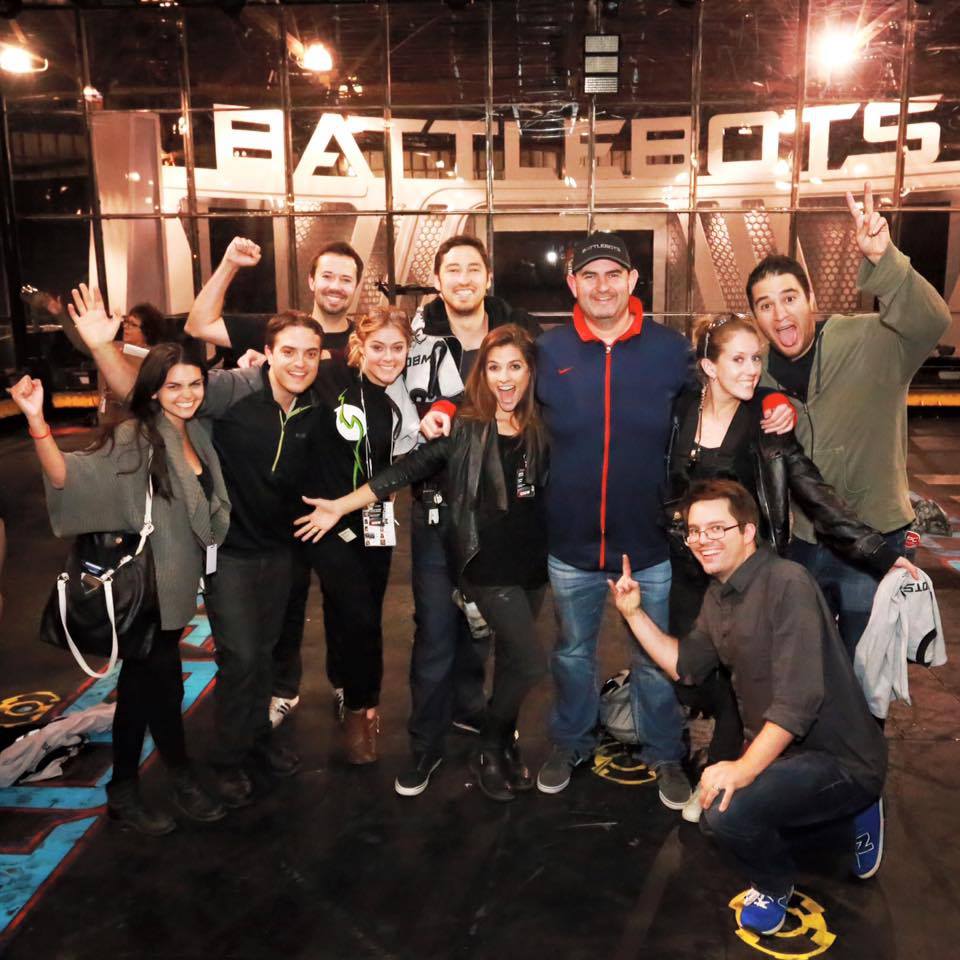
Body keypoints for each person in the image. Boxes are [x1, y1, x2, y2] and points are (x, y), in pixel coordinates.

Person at [72, 284, 322, 808]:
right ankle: (229, 757)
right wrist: (101, 347)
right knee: (242, 658)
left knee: (268, 656)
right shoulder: (233, 389)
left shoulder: (316, 402)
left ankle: (255, 740)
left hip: (280, 553)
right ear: (268, 353)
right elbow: (154, 396)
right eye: (289, 352)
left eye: (310, 353)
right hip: (228, 554)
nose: (300, 363)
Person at [666, 313, 919, 819]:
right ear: (708, 368)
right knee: (693, 673)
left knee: (746, 684)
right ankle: (736, 760)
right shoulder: (681, 410)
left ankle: (731, 775)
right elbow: (668, 484)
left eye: (756, 359)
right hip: (692, 569)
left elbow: (815, 494)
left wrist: (881, 553)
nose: (752, 370)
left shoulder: (767, 419)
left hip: (748, 579)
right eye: (737, 360)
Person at [609, 478, 887, 937]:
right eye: (694, 531)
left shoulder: (786, 583)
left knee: (726, 809)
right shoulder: (719, 595)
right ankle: (834, 816)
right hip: (787, 750)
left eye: (717, 528)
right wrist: (635, 614)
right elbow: (686, 665)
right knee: (740, 802)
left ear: (748, 532)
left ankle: (777, 882)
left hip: (843, 758)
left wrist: (742, 769)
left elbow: (800, 701)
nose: (702, 540)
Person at [298, 325, 547, 800]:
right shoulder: (468, 428)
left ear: (531, 371)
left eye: (515, 366)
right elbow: (404, 470)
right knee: (483, 653)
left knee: (515, 660)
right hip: (479, 564)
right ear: (481, 376)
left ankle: (496, 740)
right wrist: (339, 505)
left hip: (529, 567)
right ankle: (450, 746)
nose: (505, 378)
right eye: (494, 368)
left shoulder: (542, 428)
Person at [8, 341, 230, 836]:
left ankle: (126, 791)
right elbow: (71, 476)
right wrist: (36, 421)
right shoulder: (136, 437)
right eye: (174, 385)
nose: (187, 393)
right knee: (161, 688)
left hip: (173, 590)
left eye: (195, 383)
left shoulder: (196, 432)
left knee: (138, 692)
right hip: (145, 591)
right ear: (152, 389)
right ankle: (176, 776)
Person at [748, 182, 952, 657]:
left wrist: (886, 260)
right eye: (765, 305)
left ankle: (864, 734)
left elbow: (930, 321)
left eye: (790, 297)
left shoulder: (871, 340)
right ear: (755, 316)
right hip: (801, 542)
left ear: (811, 296)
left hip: (877, 538)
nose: (780, 314)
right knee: (807, 665)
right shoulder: (755, 377)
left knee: (868, 667)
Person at [533, 232, 693, 806]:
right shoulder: (547, 351)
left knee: (652, 657)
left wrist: (771, 400)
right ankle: (570, 741)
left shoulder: (671, 349)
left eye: (614, 274)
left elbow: (720, 395)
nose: (602, 285)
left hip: (645, 540)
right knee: (573, 653)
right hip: (571, 541)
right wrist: (448, 407)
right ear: (572, 284)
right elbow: (492, 390)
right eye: (590, 275)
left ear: (632, 282)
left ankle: (665, 754)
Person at [185, 237, 365, 728]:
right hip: (276, 507)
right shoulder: (277, 330)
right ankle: (282, 690)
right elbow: (197, 324)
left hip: (343, 499)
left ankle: (348, 685)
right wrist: (227, 265)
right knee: (286, 608)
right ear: (311, 280)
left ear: (357, 286)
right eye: (326, 275)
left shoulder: (361, 341)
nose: (334, 285)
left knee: (347, 603)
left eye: (345, 278)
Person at [395, 235, 541, 795]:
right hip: (437, 511)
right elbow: (379, 384)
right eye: (451, 269)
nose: (462, 278)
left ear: (487, 279)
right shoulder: (416, 343)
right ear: (438, 280)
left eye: (472, 268)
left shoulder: (518, 338)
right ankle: (425, 747)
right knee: (435, 632)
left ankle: (485, 723)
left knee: (491, 633)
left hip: (503, 517)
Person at [289, 307, 418, 764]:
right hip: (323, 521)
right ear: (359, 345)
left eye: (397, 348)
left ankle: (344, 681)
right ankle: (364, 713)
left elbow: (390, 468)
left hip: (374, 519)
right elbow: (284, 378)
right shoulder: (325, 377)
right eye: (378, 346)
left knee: (359, 611)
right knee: (360, 614)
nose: (388, 357)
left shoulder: (393, 400)